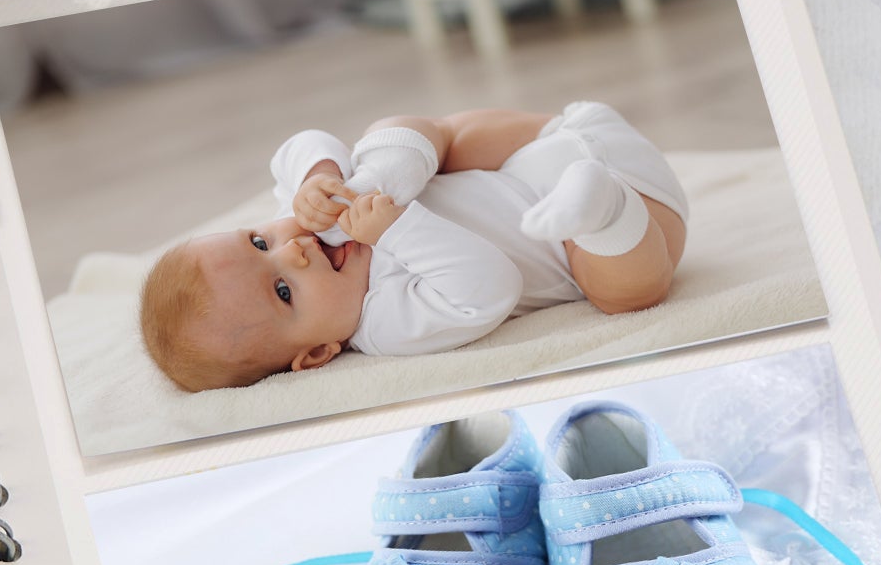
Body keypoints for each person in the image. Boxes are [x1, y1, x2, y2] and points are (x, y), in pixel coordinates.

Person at [141, 103, 689, 391]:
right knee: (623, 295)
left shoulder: (310, 210)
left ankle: (397, 161)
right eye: (283, 290)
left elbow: (300, 146)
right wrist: (395, 230)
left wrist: (322, 174)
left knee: (424, 134)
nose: (295, 248)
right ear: (316, 354)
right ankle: (601, 208)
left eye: (260, 241)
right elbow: (491, 289)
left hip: (543, 145)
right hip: (631, 223)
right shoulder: (383, 325)